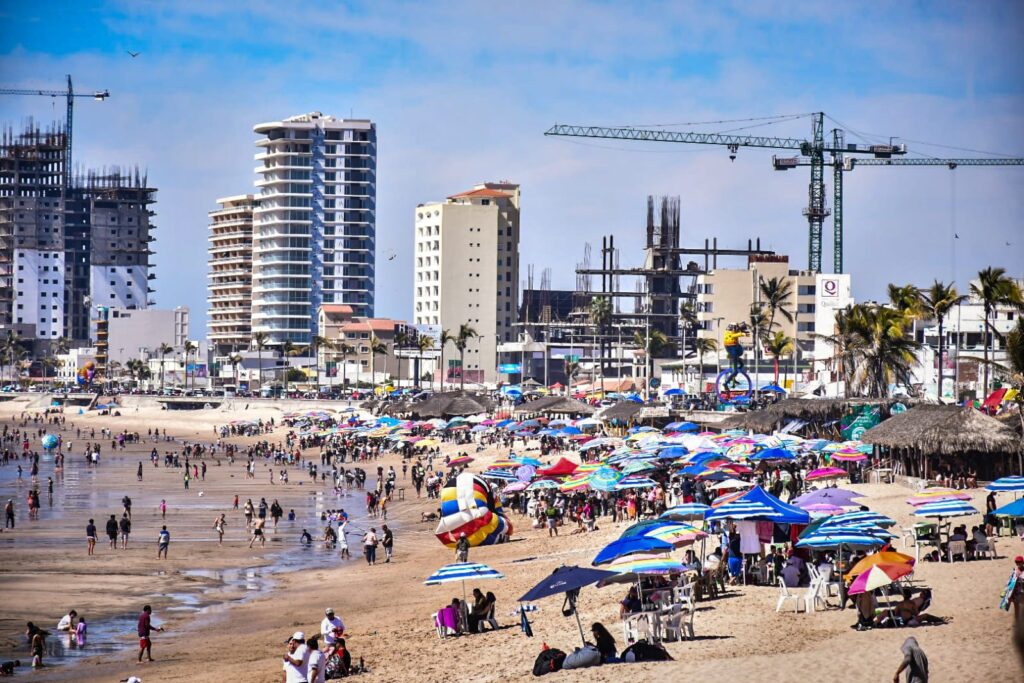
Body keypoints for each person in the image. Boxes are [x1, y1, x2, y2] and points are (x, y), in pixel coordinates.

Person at [722, 322, 749, 389]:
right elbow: (733, 335)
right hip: (733, 352)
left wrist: (743, 332)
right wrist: (742, 334)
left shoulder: (733, 332)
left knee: (742, 364)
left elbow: (737, 333)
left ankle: (733, 376)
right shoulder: (729, 333)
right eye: (736, 328)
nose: (737, 328)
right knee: (735, 371)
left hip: (735, 352)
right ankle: (726, 382)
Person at [1010, 555, 1024, 620]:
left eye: (1019, 562)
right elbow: (1010, 581)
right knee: (1016, 607)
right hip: (1015, 591)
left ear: (1022, 562)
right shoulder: (1014, 570)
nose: (1018, 563)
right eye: (1016, 562)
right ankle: (1017, 621)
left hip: (1022, 591)